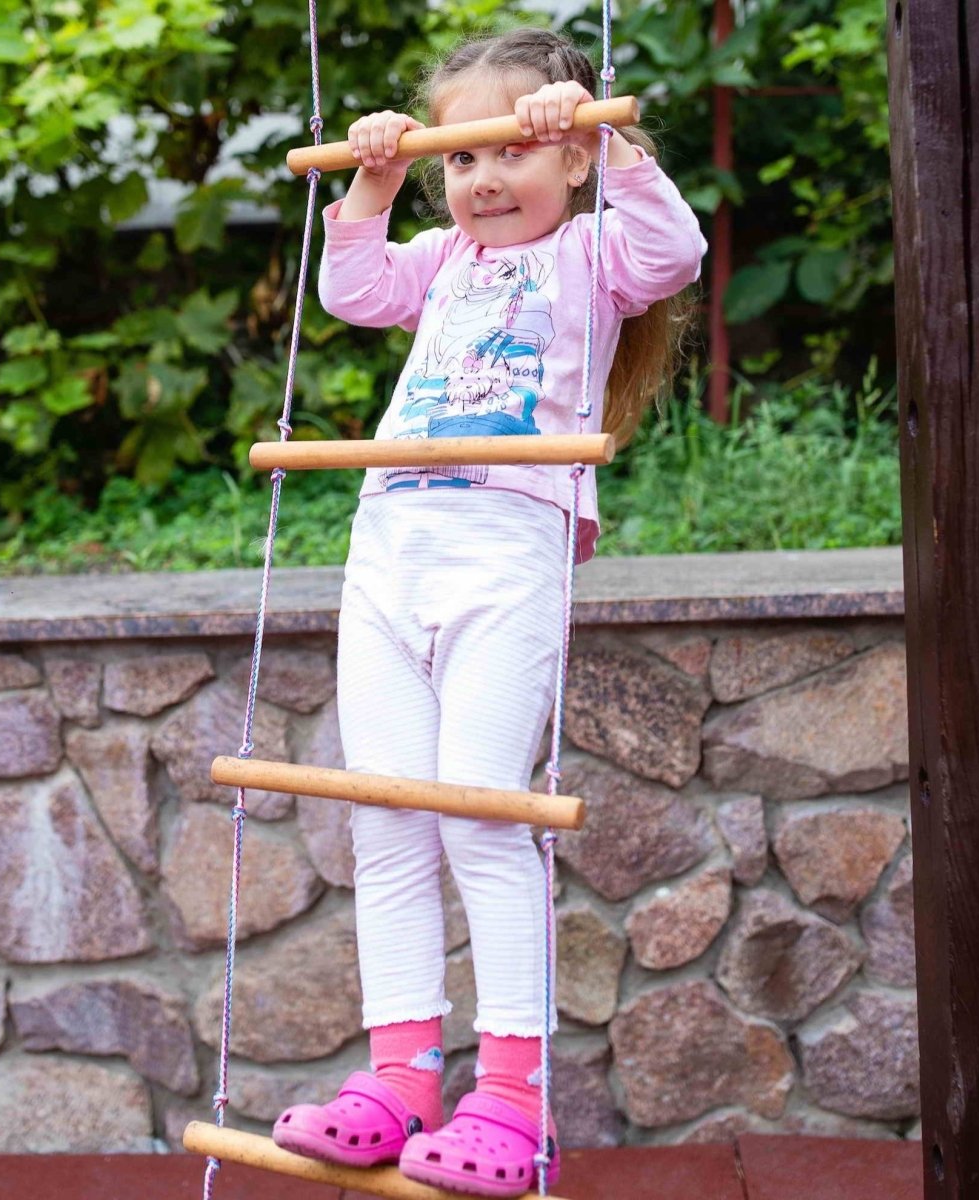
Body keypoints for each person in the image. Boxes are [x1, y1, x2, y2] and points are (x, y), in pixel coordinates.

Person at [271, 26, 706, 1197]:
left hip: (506, 547)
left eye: (512, 151)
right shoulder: (438, 259)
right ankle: (400, 1076)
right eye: (461, 160)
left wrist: (611, 142)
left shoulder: (594, 256)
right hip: (392, 545)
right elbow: (352, 290)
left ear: (567, 164)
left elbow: (676, 250)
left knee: (477, 812)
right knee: (386, 818)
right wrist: (372, 177)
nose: (482, 180)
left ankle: (511, 1097)